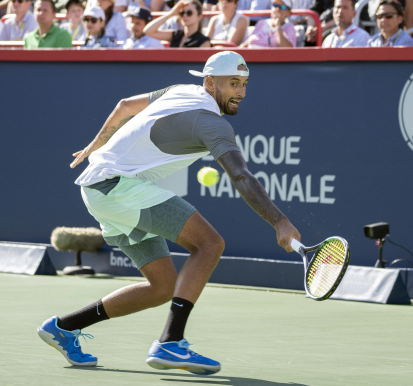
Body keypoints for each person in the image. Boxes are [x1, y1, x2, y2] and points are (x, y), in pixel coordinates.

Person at [37, 50, 301, 375]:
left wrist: (98, 144)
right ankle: (171, 342)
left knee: (162, 287)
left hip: (98, 188)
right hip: (119, 188)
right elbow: (242, 176)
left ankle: (63, 328)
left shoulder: (179, 90)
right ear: (209, 82)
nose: (241, 92)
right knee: (209, 244)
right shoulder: (211, 123)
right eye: (233, 83)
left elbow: (124, 106)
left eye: (244, 84)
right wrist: (280, 221)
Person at [144, 0, 211, 47]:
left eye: (189, 13)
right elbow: (148, 31)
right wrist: (171, 14)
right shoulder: (177, 35)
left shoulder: (203, 40)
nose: (184, 15)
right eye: (182, 13)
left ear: (199, 16)